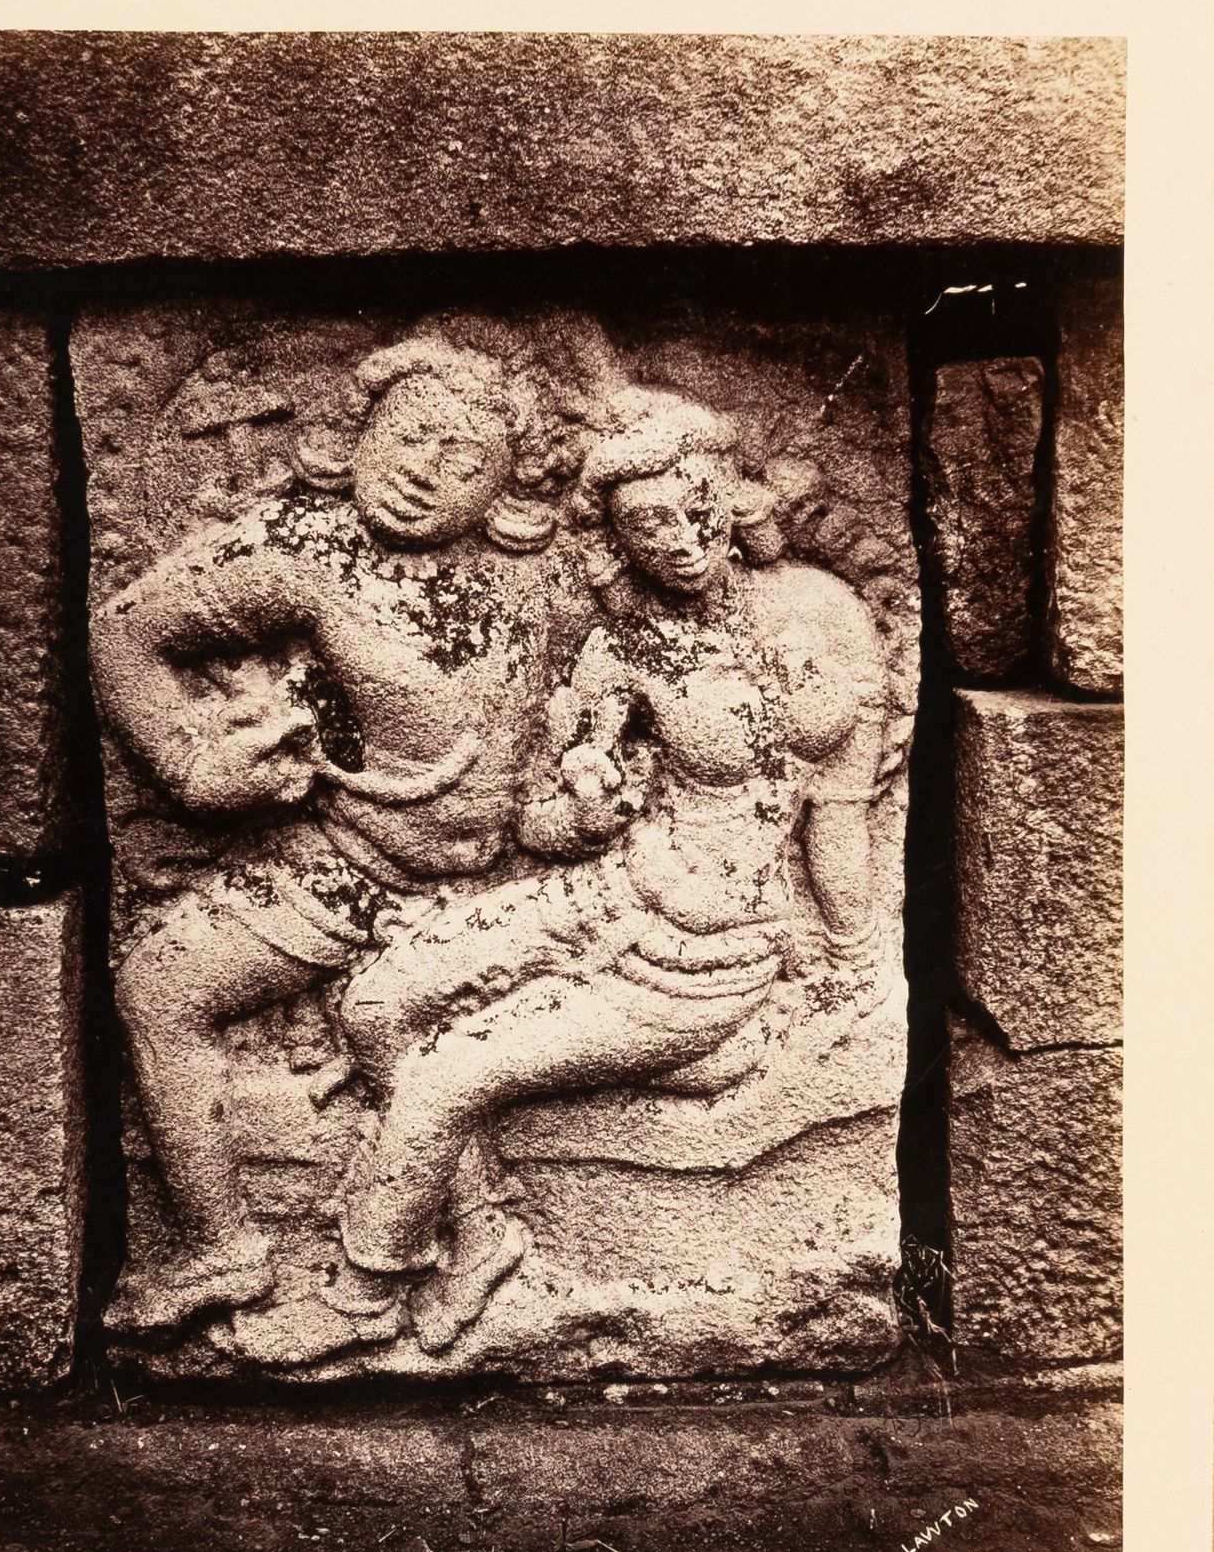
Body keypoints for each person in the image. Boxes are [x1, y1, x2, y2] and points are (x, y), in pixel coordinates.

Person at [328, 386, 893, 1354]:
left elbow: (839, 815)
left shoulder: (817, 616)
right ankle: (481, 1232)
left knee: (439, 1077)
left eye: (693, 507)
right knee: (375, 1007)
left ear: (733, 493)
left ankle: (356, 1298)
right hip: (606, 893)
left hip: (705, 959)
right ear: (617, 541)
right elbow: (543, 824)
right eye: (646, 525)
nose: (676, 538)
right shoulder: (620, 643)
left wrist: (847, 963)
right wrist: (583, 800)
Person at [91, 320, 591, 1336]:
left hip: (507, 873)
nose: (422, 474)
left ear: (502, 490)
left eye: (463, 461)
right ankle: (220, 1247)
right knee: (159, 982)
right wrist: (194, 765)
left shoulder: (537, 579)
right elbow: (125, 632)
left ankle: (458, 1237)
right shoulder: (309, 558)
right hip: (359, 864)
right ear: (356, 435)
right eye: (408, 437)